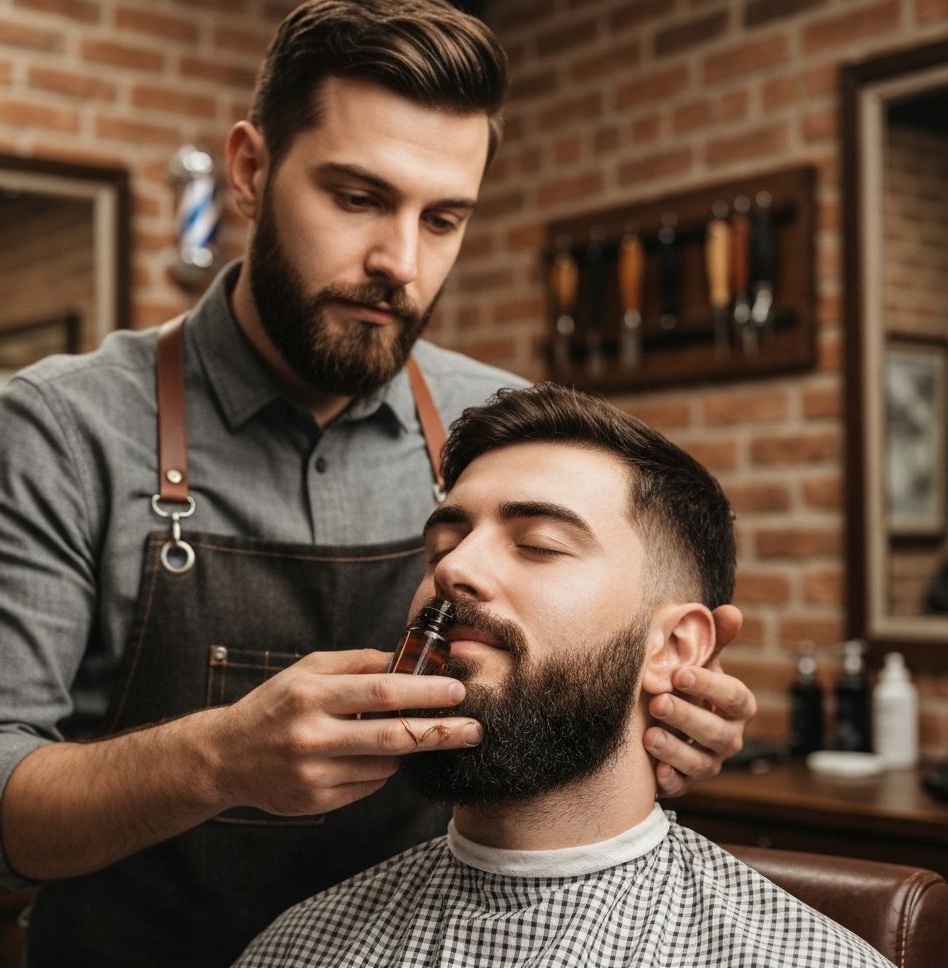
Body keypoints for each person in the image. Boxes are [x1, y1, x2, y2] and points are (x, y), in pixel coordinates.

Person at [0, 0, 755, 968]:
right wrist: (220, 759)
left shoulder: (497, 428)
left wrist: (652, 717)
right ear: (249, 168)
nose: (398, 263)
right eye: (357, 198)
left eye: (442, 219)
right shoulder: (66, 427)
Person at [233, 383, 892, 968]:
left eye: (539, 544)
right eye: (442, 545)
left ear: (676, 647)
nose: (452, 570)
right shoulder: (297, 947)